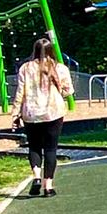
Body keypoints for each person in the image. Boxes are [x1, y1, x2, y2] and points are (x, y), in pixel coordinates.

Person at [12, 34, 74, 197]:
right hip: (53, 112)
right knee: (51, 149)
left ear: (35, 50)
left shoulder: (25, 68)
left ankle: (36, 177)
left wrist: (15, 113)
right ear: (51, 50)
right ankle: (48, 186)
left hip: (31, 113)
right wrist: (59, 92)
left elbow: (20, 93)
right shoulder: (59, 68)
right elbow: (69, 91)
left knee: (34, 147)